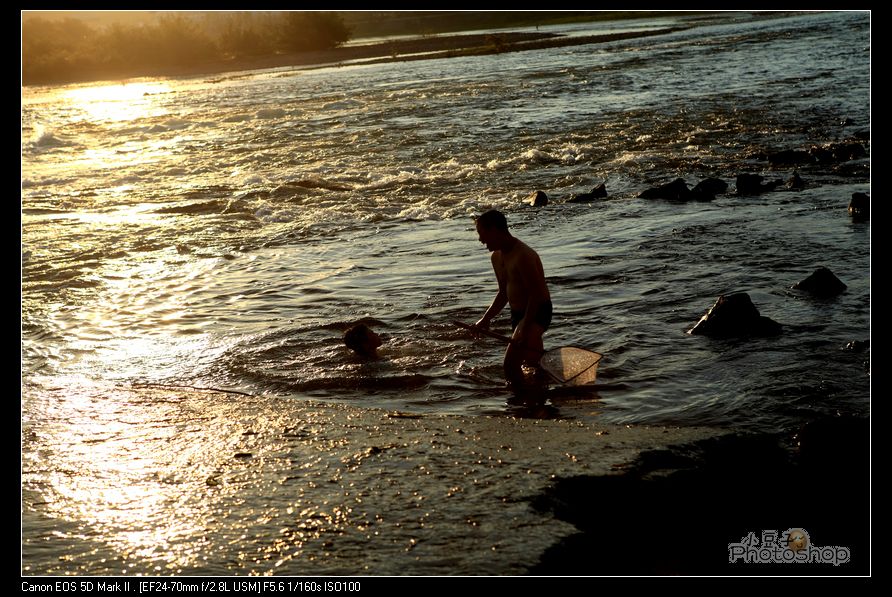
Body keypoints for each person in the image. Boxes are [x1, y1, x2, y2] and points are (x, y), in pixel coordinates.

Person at [472, 209, 552, 387]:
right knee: (532, 363)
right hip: (518, 314)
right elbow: (503, 293)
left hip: (537, 312)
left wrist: (525, 325)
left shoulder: (524, 255)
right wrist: (486, 319)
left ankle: (519, 404)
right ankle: (540, 398)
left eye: (481, 233)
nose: (480, 239)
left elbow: (536, 294)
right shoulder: (496, 257)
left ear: (494, 230)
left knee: (510, 366)